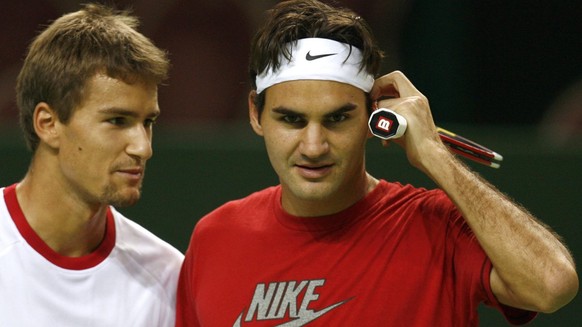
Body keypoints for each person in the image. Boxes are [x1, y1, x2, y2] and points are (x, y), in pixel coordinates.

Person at [175, 0, 578, 326]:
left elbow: (552, 286)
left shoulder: (435, 224)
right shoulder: (214, 237)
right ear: (254, 114)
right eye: (291, 119)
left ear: (375, 115)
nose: (313, 146)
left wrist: (437, 157)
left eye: (337, 119)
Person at [0, 4, 184, 326]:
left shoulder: (168, 276)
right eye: (117, 120)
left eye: (148, 122)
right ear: (48, 123)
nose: (143, 147)